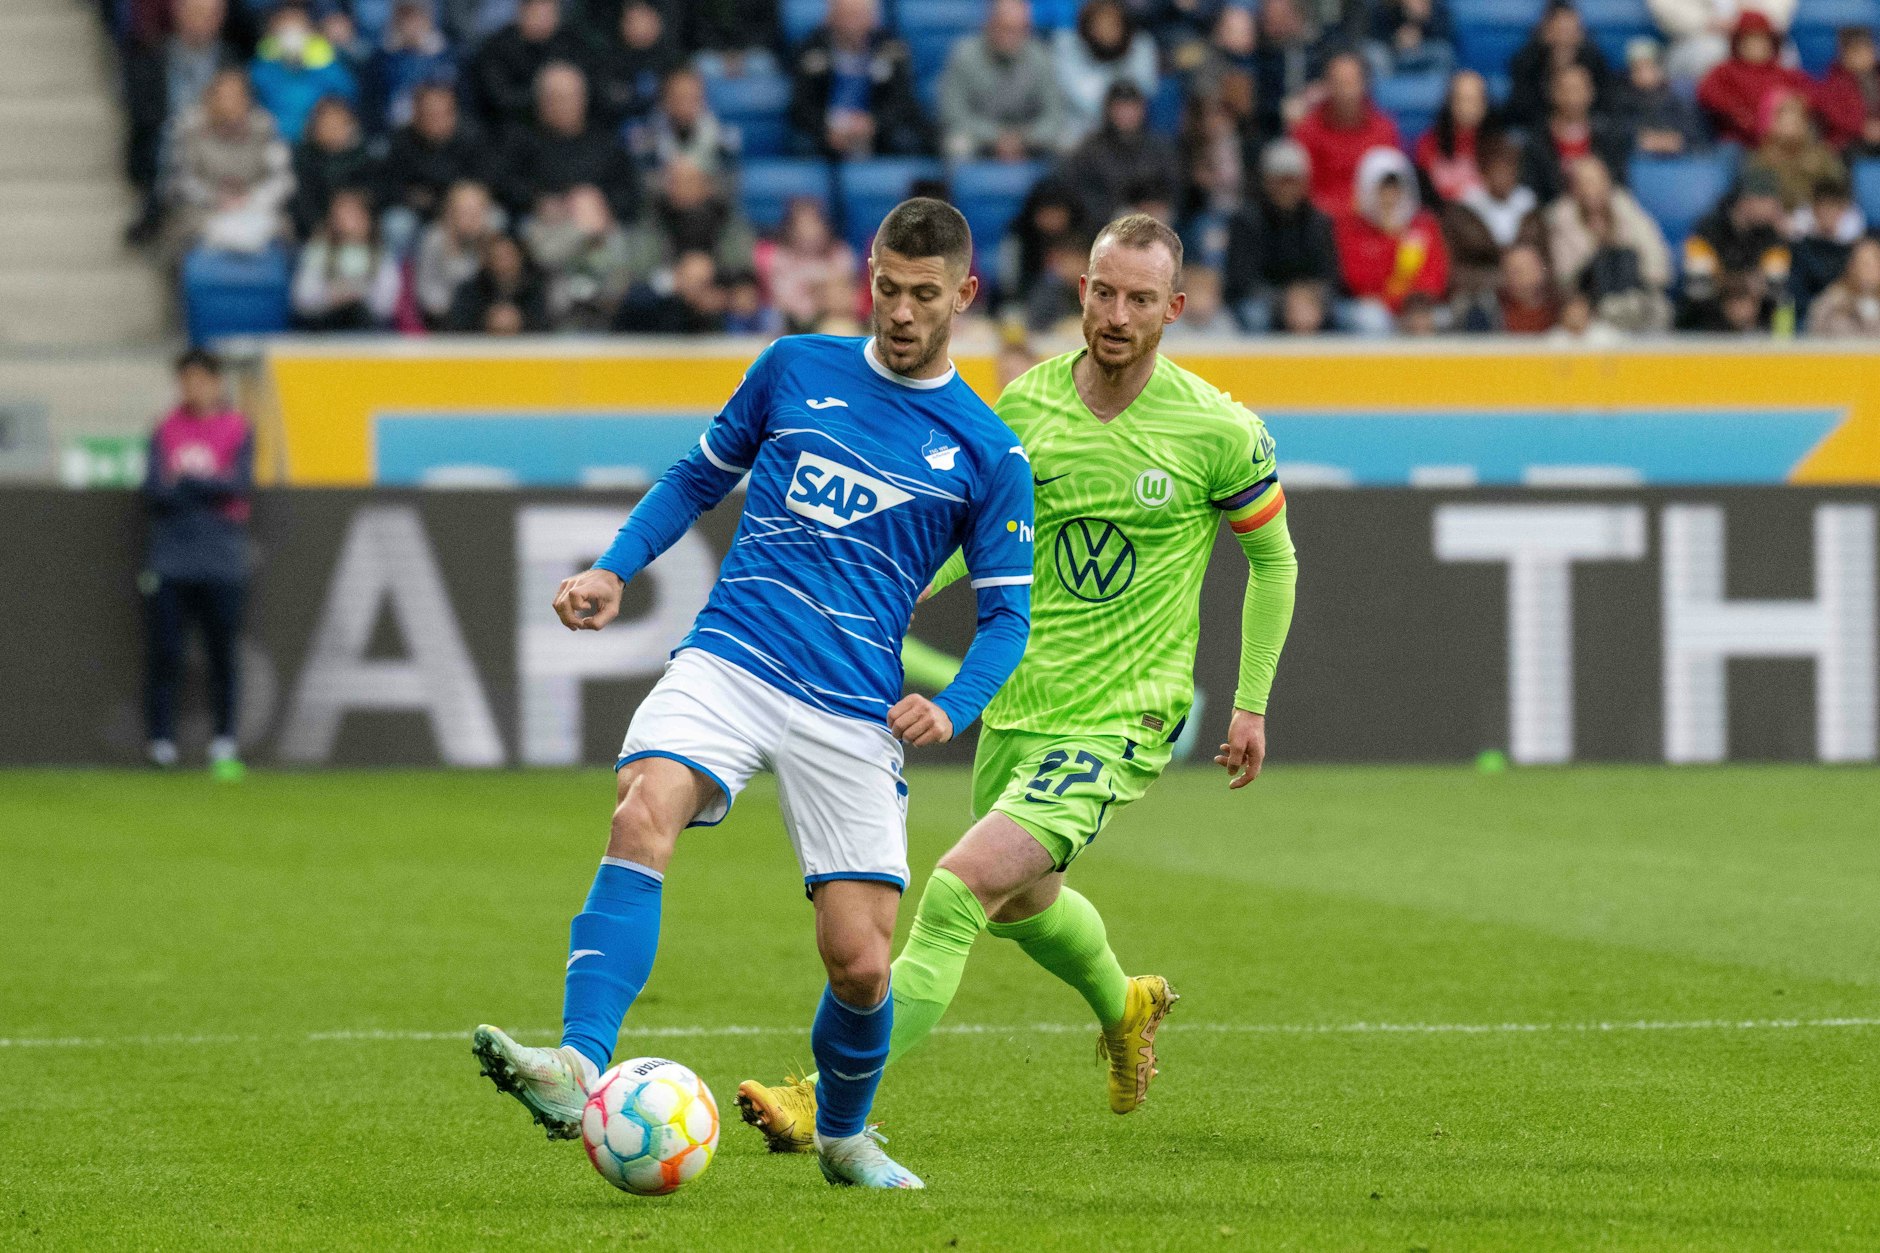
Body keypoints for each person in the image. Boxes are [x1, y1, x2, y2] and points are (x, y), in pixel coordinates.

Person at [471, 198, 1035, 1192]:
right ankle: (577, 1061)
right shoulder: (793, 368)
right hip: (732, 654)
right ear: (867, 274)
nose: (899, 313)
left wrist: (953, 703)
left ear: (964, 294)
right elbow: (694, 478)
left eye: (922, 296)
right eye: (885, 289)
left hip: (851, 705)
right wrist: (614, 566)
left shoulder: (987, 453)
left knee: (860, 962)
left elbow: (1005, 622)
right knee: (643, 805)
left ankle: (847, 1135)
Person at [735, 211, 1297, 1145]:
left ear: (1176, 308)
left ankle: (818, 1097)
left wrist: (1250, 700)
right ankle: (1124, 1005)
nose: (1117, 313)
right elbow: (977, 547)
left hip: (1125, 715)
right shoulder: (1024, 413)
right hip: (1022, 707)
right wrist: (899, 589)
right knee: (1023, 905)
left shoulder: (1216, 431)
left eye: (1140, 299)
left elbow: (1274, 560)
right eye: (1103, 291)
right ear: (1080, 292)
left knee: (957, 890)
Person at [141, 348, 253, 779]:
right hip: (171, 560)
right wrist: (207, 489)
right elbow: (155, 491)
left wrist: (187, 483)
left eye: (201, 379)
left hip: (222, 561)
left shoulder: (237, 427)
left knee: (222, 653)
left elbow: (238, 485)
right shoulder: (164, 428)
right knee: (165, 652)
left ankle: (224, 741)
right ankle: (161, 743)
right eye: (186, 379)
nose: (194, 387)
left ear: (217, 382)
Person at [123, 0, 236, 244]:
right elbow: (144, 113)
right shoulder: (153, 56)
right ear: (178, 13)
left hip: (215, 145)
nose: (202, 21)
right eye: (195, 13)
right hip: (167, 143)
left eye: (209, 14)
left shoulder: (231, 60)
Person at [163, 67, 296, 258]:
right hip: (204, 210)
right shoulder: (188, 128)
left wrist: (252, 199)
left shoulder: (266, 127)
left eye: (236, 96)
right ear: (209, 99)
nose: (229, 104)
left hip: (257, 207)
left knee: (285, 234)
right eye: (222, 96)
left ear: (247, 100)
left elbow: (283, 178)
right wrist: (215, 198)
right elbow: (180, 178)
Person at [493, 61, 641, 224]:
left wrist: (601, 203)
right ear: (540, 102)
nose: (564, 105)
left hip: (601, 224)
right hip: (544, 226)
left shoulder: (604, 140)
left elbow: (629, 192)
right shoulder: (520, 139)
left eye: (572, 96)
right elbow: (506, 186)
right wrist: (543, 201)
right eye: (556, 98)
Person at [1222, 137, 1342, 331]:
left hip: (1310, 302)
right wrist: (1286, 300)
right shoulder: (1246, 221)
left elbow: (1331, 277)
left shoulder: (1319, 222)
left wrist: (1310, 297)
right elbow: (1240, 280)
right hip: (1266, 301)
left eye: (1292, 181)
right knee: (1254, 315)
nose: (1286, 188)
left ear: (1304, 183)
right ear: (1267, 181)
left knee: (1360, 317)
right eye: (1280, 181)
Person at [1543, 154, 1673, 332]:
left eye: (1596, 181)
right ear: (1574, 188)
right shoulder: (1562, 219)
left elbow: (1656, 257)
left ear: (1607, 183)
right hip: (1588, 302)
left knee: (1627, 258)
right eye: (1584, 183)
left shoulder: (1628, 210)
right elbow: (1565, 276)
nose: (1591, 190)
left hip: (1636, 297)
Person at [786, 0, 931, 158]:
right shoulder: (809, 50)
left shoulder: (892, 50)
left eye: (859, 15)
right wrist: (825, 130)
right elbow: (801, 105)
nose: (852, 24)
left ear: (873, 19)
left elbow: (902, 101)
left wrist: (874, 124)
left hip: (879, 132)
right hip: (825, 132)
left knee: (908, 141)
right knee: (801, 145)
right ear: (830, 18)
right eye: (846, 16)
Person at [1334, 146, 1449, 333]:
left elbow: (1436, 275)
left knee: (1444, 317)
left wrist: (1414, 305)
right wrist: (1392, 239)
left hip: (1419, 306)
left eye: (1396, 188)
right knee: (1371, 318)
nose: (1390, 197)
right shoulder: (1351, 227)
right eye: (1382, 189)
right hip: (1376, 308)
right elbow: (1357, 280)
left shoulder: (1425, 225)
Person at [939, 0, 1070, 162]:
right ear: (989, 24)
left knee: (1067, 142)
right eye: (1004, 28)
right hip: (980, 138)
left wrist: (1023, 139)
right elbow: (953, 115)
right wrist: (997, 137)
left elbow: (1054, 116)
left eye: (1017, 29)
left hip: (1029, 139)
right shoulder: (964, 55)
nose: (1009, 36)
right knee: (957, 145)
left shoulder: (1041, 57)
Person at [1291, 51, 1403, 218]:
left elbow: (1391, 185)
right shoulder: (1306, 131)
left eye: (1351, 83)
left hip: (1373, 220)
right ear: (1326, 86)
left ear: (1365, 84)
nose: (1346, 92)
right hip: (1322, 222)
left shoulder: (1384, 129)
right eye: (1339, 83)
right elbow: (1301, 191)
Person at [1059, 80, 1185, 226]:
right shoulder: (1090, 150)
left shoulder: (1161, 147)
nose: (1126, 113)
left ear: (1143, 109)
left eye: (1132, 106)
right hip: (1107, 227)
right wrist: (1121, 215)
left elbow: (1175, 188)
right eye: (1120, 107)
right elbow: (1081, 196)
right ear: (1108, 110)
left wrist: (1156, 208)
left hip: (1158, 223)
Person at [1678, 165, 1791, 328]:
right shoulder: (1706, 231)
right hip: (1707, 323)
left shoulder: (1773, 237)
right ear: (1745, 200)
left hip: (1758, 324)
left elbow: (1776, 290)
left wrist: (1748, 295)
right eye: (1768, 200)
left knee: (1785, 308)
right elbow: (1698, 288)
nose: (1775, 208)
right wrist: (1740, 288)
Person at [380, 82, 487, 246]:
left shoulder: (471, 137)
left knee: (495, 220)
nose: (437, 120)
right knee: (396, 224)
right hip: (417, 211)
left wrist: (455, 203)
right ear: (416, 114)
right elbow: (390, 186)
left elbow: (481, 183)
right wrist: (417, 199)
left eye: (443, 113)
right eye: (429, 114)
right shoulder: (401, 141)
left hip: (461, 208)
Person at [1443, 133, 1544, 306]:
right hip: (1480, 295)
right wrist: (1507, 279)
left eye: (1509, 168)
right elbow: (1454, 269)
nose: (1503, 176)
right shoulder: (1463, 210)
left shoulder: (1530, 210)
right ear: (1483, 172)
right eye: (1497, 169)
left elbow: (1546, 261)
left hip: (1531, 293)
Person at [469, 0, 592, 135]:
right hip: (512, 128)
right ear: (522, 12)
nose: (544, 19)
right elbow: (499, 99)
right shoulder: (496, 48)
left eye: (550, 12)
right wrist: (544, 98)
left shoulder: (570, 43)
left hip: (568, 132)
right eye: (539, 12)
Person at [1518, 63, 1633, 206]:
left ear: (1591, 92)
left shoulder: (1608, 136)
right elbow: (1533, 192)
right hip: (1556, 212)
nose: (1573, 97)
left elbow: (1618, 183)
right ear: (1552, 93)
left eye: (1578, 89)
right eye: (1566, 90)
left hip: (1604, 210)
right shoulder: (1537, 142)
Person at [291, 187, 402, 329]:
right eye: (343, 215)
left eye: (354, 215)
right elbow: (302, 299)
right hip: (326, 326)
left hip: (367, 329)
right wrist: (332, 296)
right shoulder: (319, 251)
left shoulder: (380, 254)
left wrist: (358, 294)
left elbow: (387, 304)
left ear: (367, 218)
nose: (348, 222)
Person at [1696, 10, 1811, 146]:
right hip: (1738, 140)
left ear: (1772, 43)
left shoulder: (1785, 74)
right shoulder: (1724, 71)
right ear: (1738, 43)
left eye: (1762, 40)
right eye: (1749, 40)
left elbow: (1807, 97)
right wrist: (1737, 111)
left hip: (1779, 140)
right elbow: (1706, 93)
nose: (1756, 46)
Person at [249, 1, 358, 143]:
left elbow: (349, 96)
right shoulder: (261, 67)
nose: (292, 33)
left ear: (310, 30)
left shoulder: (327, 64)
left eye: (298, 26)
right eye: (284, 28)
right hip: (272, 141)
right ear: (272, 32)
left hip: (318, 142)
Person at [1053, 0, 1161, 140]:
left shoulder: (1142, 46)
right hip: (1079, 135)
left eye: (1113, 25)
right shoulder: (1066, 45)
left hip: (1129, 137)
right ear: (1087, 26)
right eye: (1099, 24)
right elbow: (1084, 100)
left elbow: (1140, 96)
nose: (1106, 31)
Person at [753, 196, 858, 334]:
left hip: (827, 321)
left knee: (841, 326)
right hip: (787, 323)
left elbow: (846, 299)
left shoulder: (840, 255)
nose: (809, 232)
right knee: (772, 318)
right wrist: (820, 289)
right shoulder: (776, 257)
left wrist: (821, 294)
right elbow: (779, 299)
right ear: (790, 228)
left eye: (813, 224)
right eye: (802, 225)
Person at [1507, 0, 1611, 130]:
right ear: (1546, 31)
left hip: (1586, 125)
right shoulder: (1526, 60)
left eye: (1570, 30)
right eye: (1560, 29)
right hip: (1538, 127)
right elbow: (1520, 104)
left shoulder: (1594, 59)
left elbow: (1605, 98)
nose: (1565, 37)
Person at [589, 0, 684, 135]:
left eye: (645, 18)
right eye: (632, 20)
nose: (639, 25)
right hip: (618, 130)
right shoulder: (609, 59)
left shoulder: (670, 59)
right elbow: (606, 100)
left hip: (663, 131)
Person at [288, 96, 377, 240]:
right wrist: (323, 227)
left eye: (337, 124)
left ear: (350, 125)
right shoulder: (303, 159)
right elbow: (302, 202)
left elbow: (373, 197)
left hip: (362, 235)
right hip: (314, 233)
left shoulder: (365, 158)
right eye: (325, 124)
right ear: (313, 127)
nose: (332, 130)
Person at [1648, 0, 1797, 85]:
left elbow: (1778, 13)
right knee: (1711, 52)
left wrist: (1747, 19)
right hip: (1695, 38)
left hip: (1750, 31)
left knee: (1786, 55)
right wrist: (1707, 21)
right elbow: (1667, 10)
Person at [415, 179, 499, 326]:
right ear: (450, 212)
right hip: (445, 316)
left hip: (486, 315)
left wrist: (484, 246)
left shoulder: (496, 239)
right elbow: (427, 287)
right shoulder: (435, 239)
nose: (471, 218)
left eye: (476, 211)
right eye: (464, 212)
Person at [629, 67, 739, 177]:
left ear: (703, 100)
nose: (685, 105)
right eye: (679, 97)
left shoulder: (725, 139)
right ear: (664, 101)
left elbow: (729, 183)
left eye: (693, 98)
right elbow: (642, 181)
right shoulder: (644, 140)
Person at [365, 0, 455, 133]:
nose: (410, 23)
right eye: (405, 16)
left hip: (439, 134)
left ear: (428, 17)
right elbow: (372, 104)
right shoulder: (380, 60)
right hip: (393, 134)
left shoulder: (449, 56)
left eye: (416, 16)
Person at [1747, 92, 1845, 211]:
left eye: (1796, 119)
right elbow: (1757, 198)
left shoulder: (1821, 155)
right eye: (1785, 120)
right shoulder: (1762, 158)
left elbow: (1837, 188)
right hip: (1778, 220)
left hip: (1818, 220)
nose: (1791, 126)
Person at [1612, 36, 1708, 156]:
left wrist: (1675, 140)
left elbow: (1695, 133)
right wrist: (1640, 139)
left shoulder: (1678, 100)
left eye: (1649, 67)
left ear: (1661, 68)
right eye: (1637, 69)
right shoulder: (1622, 101)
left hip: (1680, 161)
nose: (1644, 74)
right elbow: (1618, 132)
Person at [1788, 175, 1865, 319]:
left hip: (1847, 317)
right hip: (1808, 318)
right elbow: (1795, 293)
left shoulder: (1852, 250)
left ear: (1843, 211)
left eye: (1834, 208)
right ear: (1814, 210)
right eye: (1824, 207)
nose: (1828, 213)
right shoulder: (1800, 248)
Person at [1414, 69, 1494, 205]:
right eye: (1461, 99)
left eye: (1473, 100)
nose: (1466, 107)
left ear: (1485, 104)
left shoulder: (1498, 146)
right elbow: (1425, 198)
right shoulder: (1429, 143)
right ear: (1450, 102)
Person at [1813, 26, 1880, 155]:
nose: (1862, 57)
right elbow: (1835, 115)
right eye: (1855, 52)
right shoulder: (1835, 82)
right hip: (1850, 141)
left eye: (1867, 50)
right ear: (1844, 56)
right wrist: (1862, 128)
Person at [1804, 235, 1880, 336]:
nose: (1869, 270)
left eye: (1874, 264)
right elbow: (1813, 336)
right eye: (1864, 264)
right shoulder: (1831, 302)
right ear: (1851, 267)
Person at [1366, 0, 1456, 80]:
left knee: (1443, 52)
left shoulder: (1438, 7)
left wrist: (1422, 20)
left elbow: (1444, 36)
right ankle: (1386, 91)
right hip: (1392, 53)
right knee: (1374, 54)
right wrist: (1395, 40)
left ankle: (1432, 91)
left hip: (1425, 51)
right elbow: (1375, 35)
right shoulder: (1385, 7)